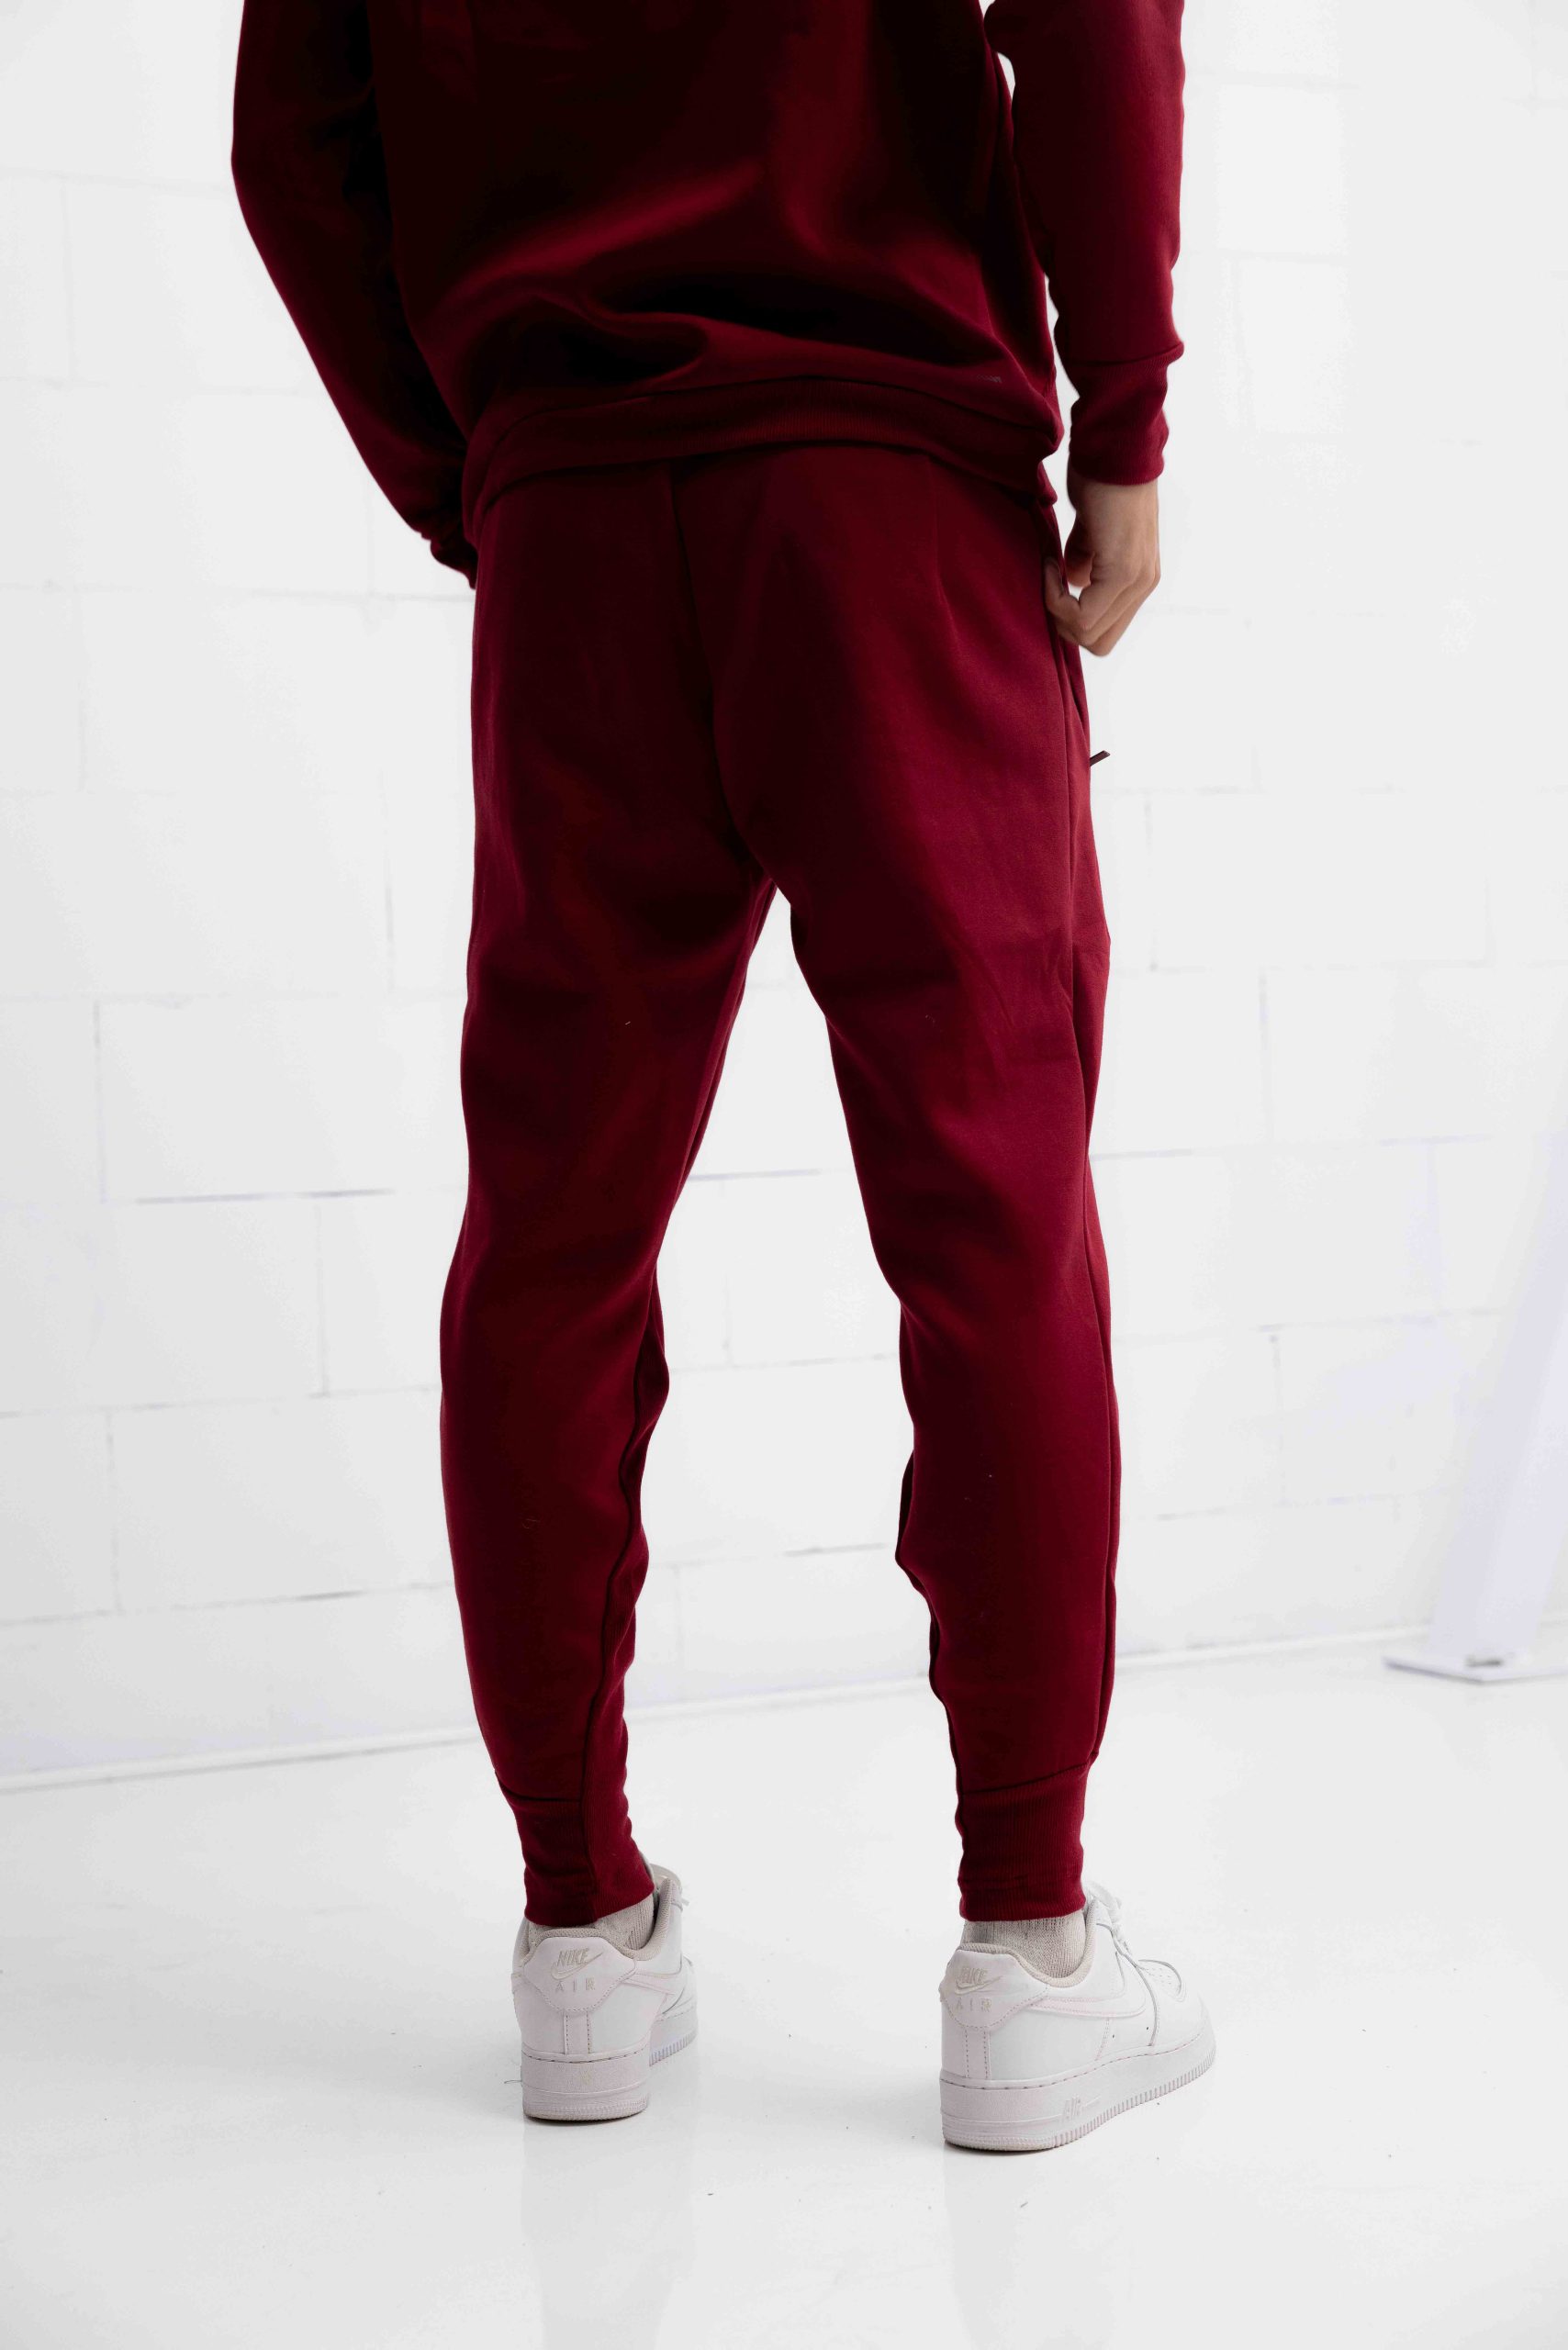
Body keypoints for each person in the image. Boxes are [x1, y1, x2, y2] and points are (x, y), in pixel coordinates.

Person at [232, 0, 1213, 2151]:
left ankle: (576, 1932)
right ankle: (1027, 1949)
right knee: (992, 1218)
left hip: (572, 512)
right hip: (884, 482)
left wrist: (477, 471)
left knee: (551, 1233)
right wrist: (1124, 425)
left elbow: (292, 139)